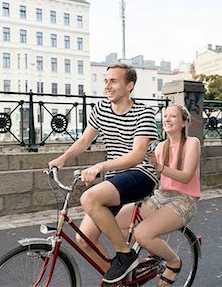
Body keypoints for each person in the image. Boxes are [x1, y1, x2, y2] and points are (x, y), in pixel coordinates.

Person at [48, 63, 159, 283]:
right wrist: (63, 158)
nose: (107, 86)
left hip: (141, 174)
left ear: (130, 85)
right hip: (115, 179)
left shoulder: (144, 112)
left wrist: (100, 166)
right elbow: (84, 140)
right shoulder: (101, 109)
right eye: (106, 81)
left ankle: (125, 254)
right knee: (84, 240)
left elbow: (137, 155)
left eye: (114, 81)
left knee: (89, 197)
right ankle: (122, 281)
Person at [116, 103, 201, 286]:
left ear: (184, 122)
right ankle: (154, 254)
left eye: (173, 116)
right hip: (160, 196)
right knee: (117, 221)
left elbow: (186, 177)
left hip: (184, 200)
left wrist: (160, 167)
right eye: (165, 116)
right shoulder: (160, 147)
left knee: (141, 233)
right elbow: (148, 174)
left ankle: (173, 262)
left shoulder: (192, 143)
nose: (167, 120)